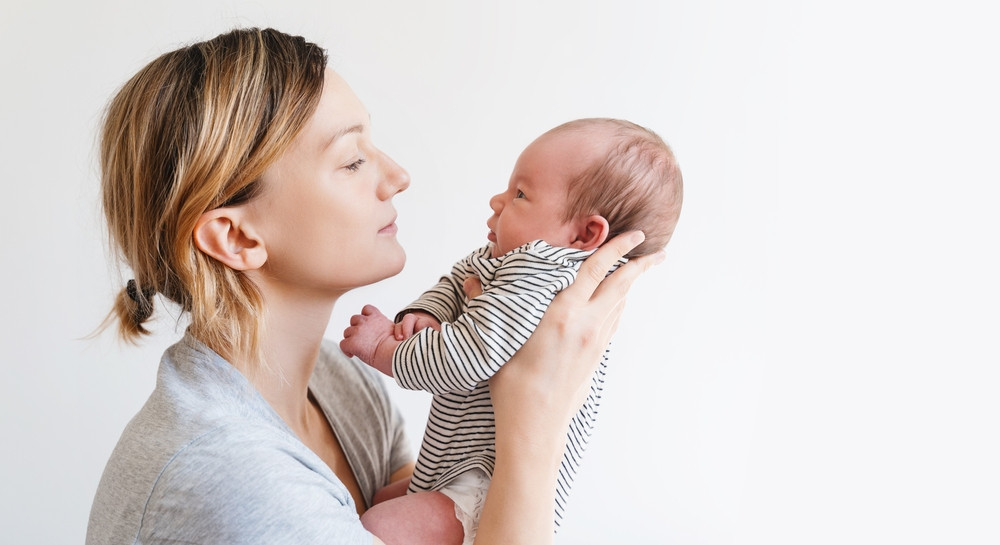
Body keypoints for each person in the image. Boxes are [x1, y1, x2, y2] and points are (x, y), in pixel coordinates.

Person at [85, 27, 663, 545]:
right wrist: (536, 415)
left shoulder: (340, 382)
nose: (397, 175)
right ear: (236, 238)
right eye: (351, 161)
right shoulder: (237, 482)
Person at [340, 118, 683, 545]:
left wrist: (383, 350)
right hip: (460, 471)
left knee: (379, 525)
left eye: (520, 194)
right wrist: (427, 314)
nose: (498, 200)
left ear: (585, 234)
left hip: (485, 488)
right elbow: (457, 282)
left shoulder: (542, 273)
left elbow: (465, 359)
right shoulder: (509, 262)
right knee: (379, 500)